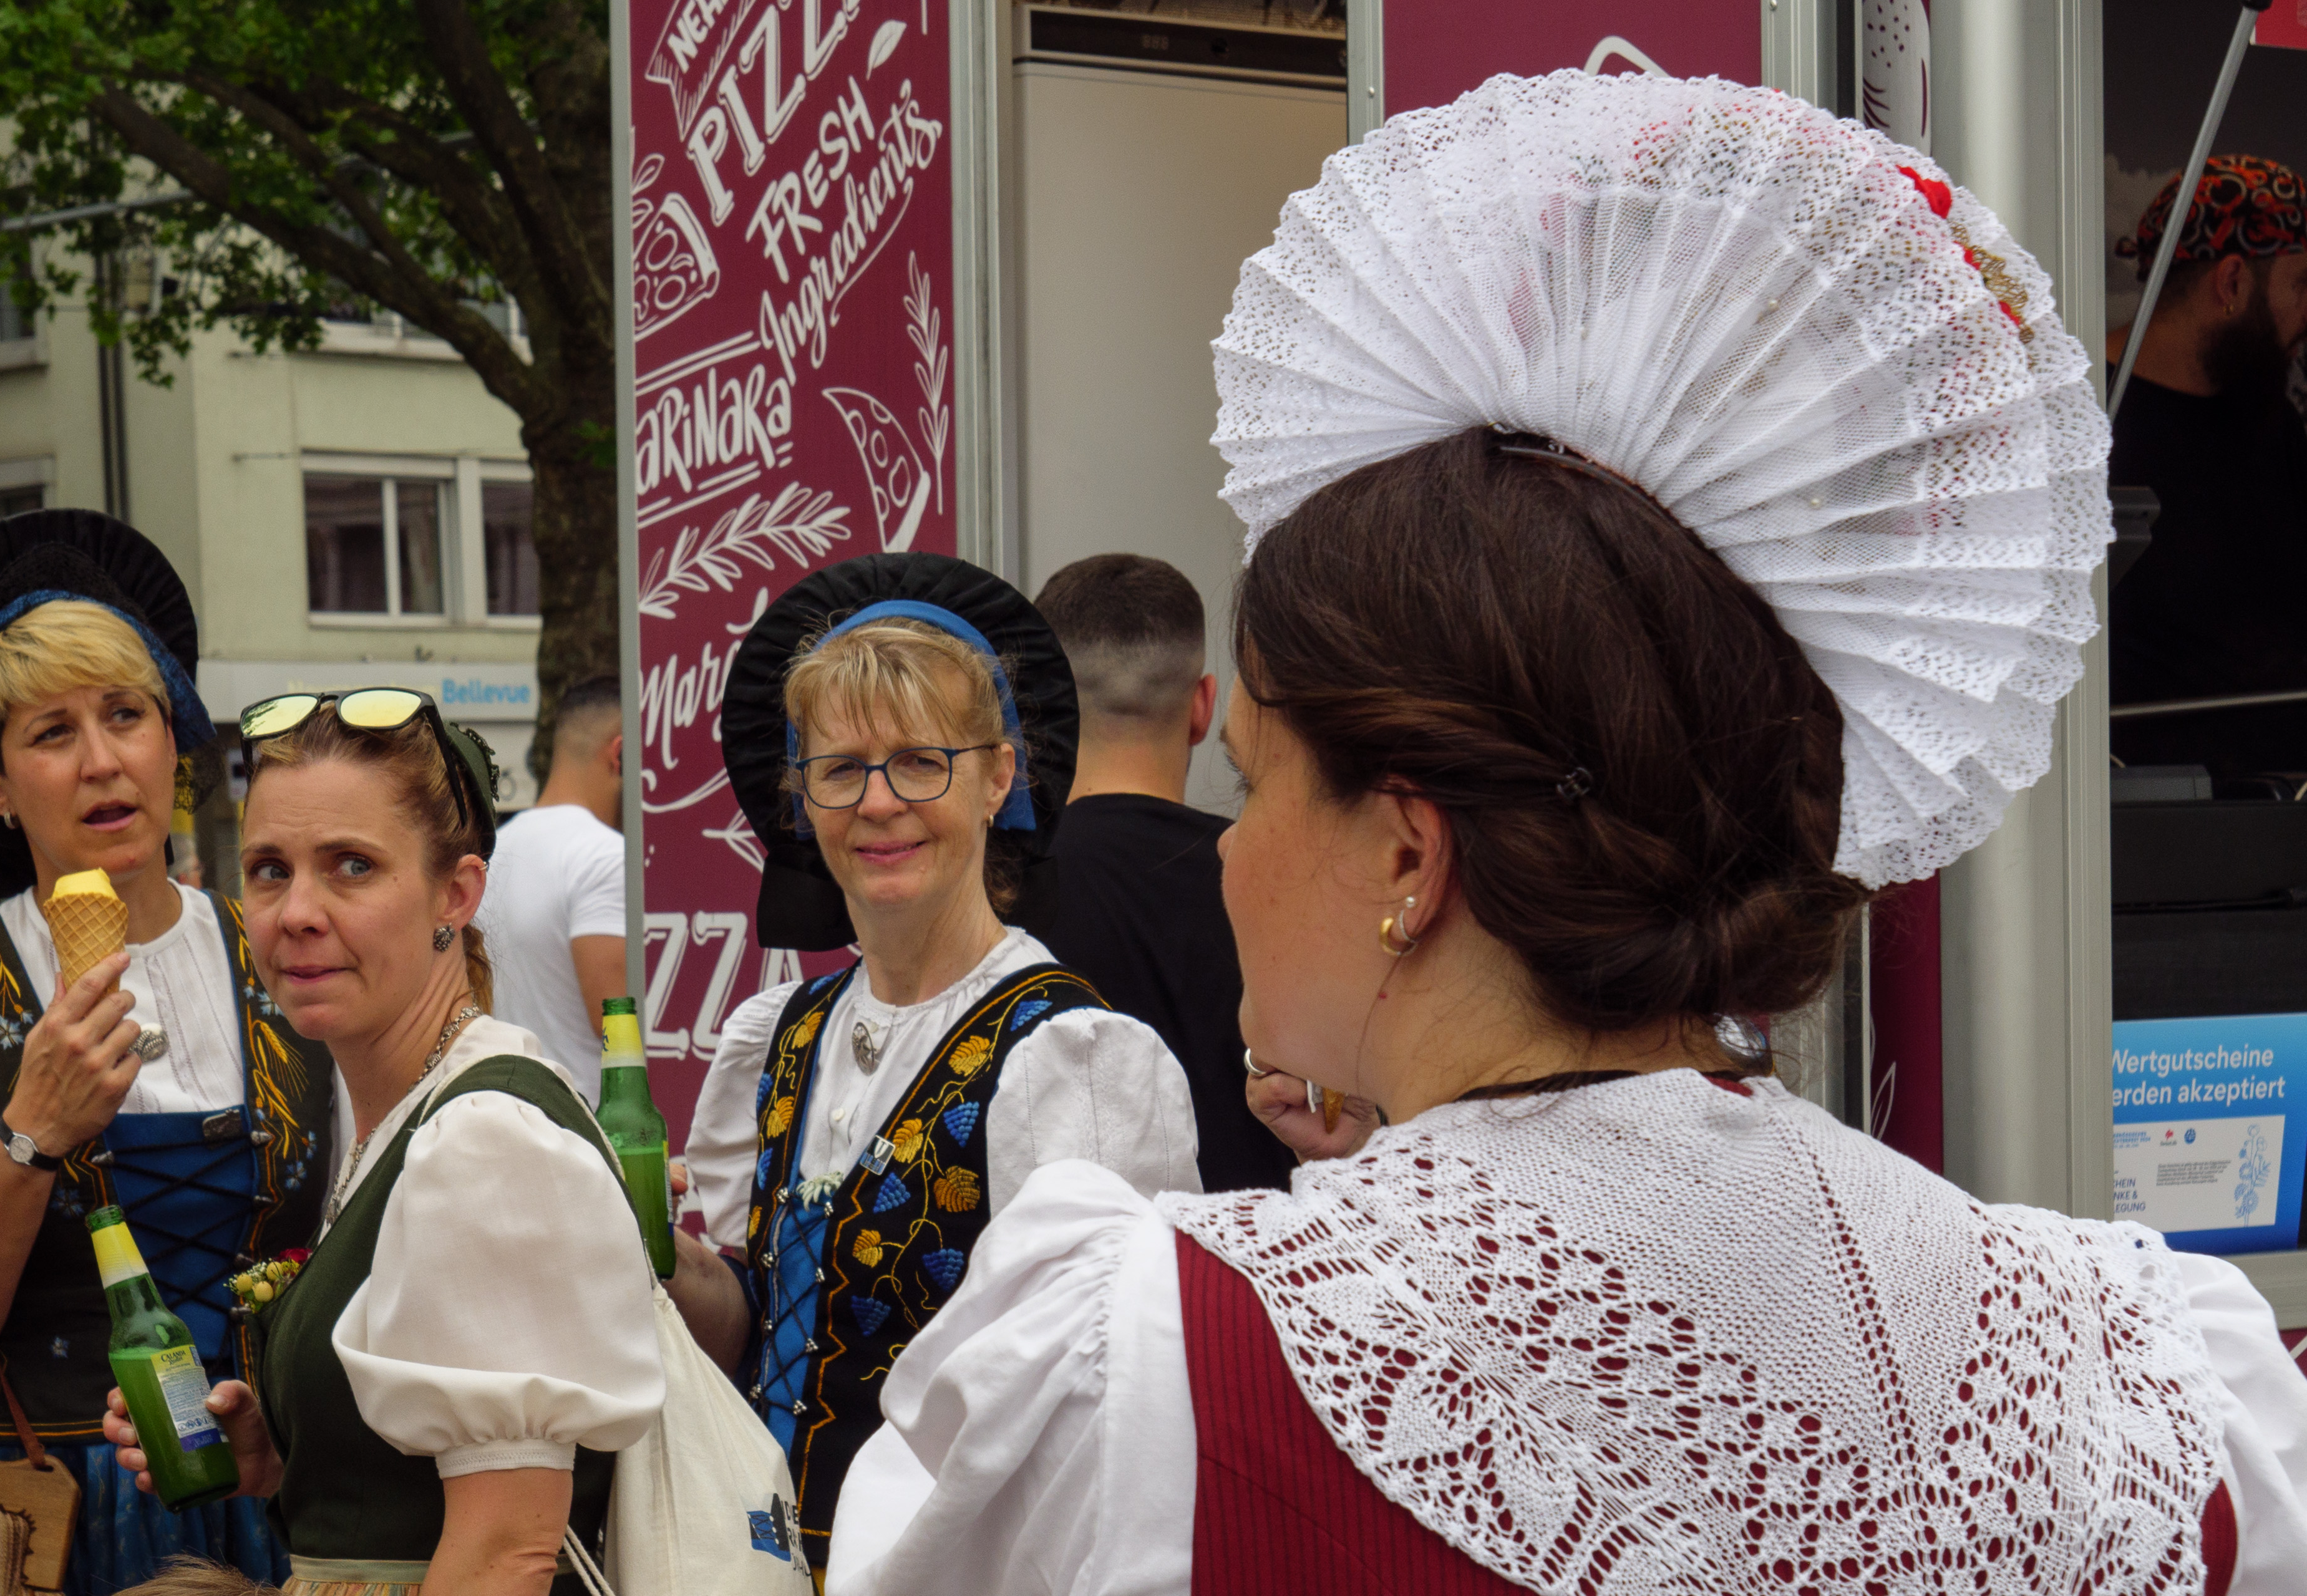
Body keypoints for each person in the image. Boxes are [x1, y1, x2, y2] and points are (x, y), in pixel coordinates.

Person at [825, 73, 2307, 1595]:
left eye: (1256, 782)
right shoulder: (2141, 1370)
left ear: (1409, 853)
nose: (1225, 848)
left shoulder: (1152, 1355)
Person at [682, 550, 1200, 1578]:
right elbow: (756, 1335)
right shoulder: (780, 1034)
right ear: (801, 799)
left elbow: (1104, 1421)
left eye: (921, 760)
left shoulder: (1070, 1055)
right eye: (838, 767)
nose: (877, 802)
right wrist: (660, 1261)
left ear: (999, 773)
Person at [107, 689, 663, 1596]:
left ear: (457, 891)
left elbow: (505, 1556)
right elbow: (416, 1486)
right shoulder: (406, 1111)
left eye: (351, 866)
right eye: (270, 869)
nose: (297, 911)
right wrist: (283, 1452)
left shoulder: (487, 1139)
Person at [0, 513, 336, 1594]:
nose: (102, 760)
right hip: (45, 1508)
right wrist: (32, 1128)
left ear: (172, 737)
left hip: (272, 1488)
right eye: (51, 732)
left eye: (126, 714)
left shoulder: (290, 955)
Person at [1032, 554, 1288, 1192]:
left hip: (1054, 1279)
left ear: (1036, 713)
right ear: (1204, 705)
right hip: (1256, 1273)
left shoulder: (988, 893)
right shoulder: (1283, 886)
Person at [2106, 155, 2307, 775]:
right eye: (2301, 286)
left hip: (2278, 812)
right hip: (2144, 821)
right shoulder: (2087, 414)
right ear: (2230, 284)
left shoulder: (2270, 418)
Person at [475, 675, 628, 1096]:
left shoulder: (493, 855)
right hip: (591, 1127)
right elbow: (618, 1023)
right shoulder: (605, 857)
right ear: (619, 754)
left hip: (509, 1108)